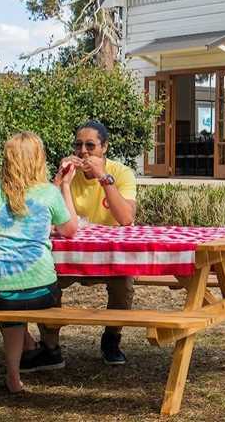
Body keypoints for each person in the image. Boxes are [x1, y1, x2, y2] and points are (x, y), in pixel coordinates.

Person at [23, 120, 138, 371]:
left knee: (124, 281)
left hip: (108, 256)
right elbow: (41, 213)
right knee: (45, 281)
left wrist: (102, 178)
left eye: (90, 146)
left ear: (104, 147)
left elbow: (126, 219)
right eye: (78, 146)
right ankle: (50, 347)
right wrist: (58, 179)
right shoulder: (69, 174)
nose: (83, 152)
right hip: (69, 256)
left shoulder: (121, 173)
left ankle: (112, 338)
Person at [0, 132, 78, 393]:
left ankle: (14, 373)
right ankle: (43, 348)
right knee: (28, 291)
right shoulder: (48, 192)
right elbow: (70, 230)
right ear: (39, 160)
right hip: (42, 291)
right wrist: (65, 185)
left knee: (5, 297)